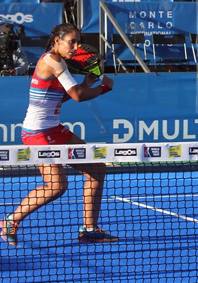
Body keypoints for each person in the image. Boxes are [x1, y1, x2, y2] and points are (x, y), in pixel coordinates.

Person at [0, 23, 117, 246]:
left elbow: (60, 97)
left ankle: (89, 229)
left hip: (54, 129)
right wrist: (104, 88)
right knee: (56, 186)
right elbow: (78, 96)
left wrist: (84, 84)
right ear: (57, 41)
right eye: (71, 41)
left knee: (96, 168)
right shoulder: (52, 61)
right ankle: (9, 221)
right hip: (37, 133)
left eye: (78, 42)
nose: (75, 46)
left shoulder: (57, 62)